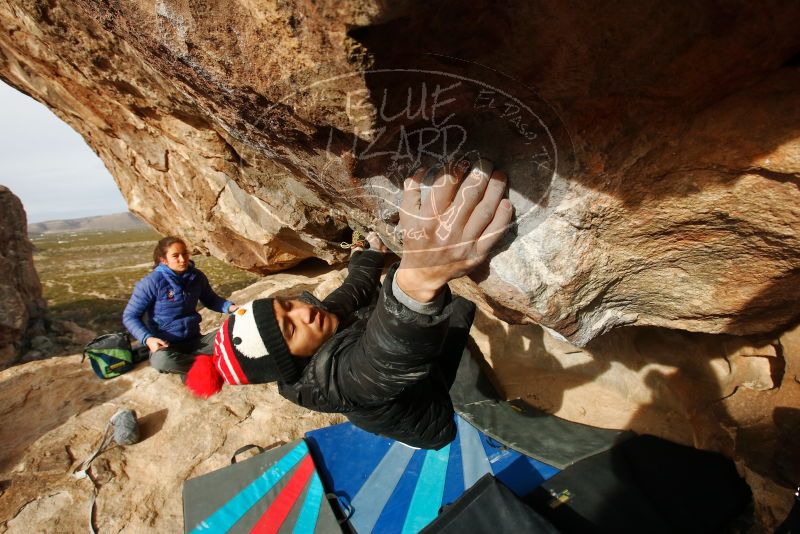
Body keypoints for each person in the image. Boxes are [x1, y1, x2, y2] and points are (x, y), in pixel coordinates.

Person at [186, 158, 513, 449]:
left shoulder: (317, 322)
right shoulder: (334, 381)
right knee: (449, 330)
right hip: (428, 414)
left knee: (453, 312)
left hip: (402, 371)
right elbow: (382, 359)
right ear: (291, 363)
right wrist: (418, 279)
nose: (303, 312)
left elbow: (353, 291)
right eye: (290, 328)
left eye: (285, 306)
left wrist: (367, 254)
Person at [123, 236, 238, 375]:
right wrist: (148, 339)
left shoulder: (196, 276)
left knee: (236, 335)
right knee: (162, 361)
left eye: (184, 253)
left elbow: (211, 300)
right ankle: (205, 365)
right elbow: (130, 316)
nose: (183, 259)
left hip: (197, 341)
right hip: (167, 346)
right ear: (163, 260)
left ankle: (193, 364)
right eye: (175, 256)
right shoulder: (151, 283)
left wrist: (232, 308)